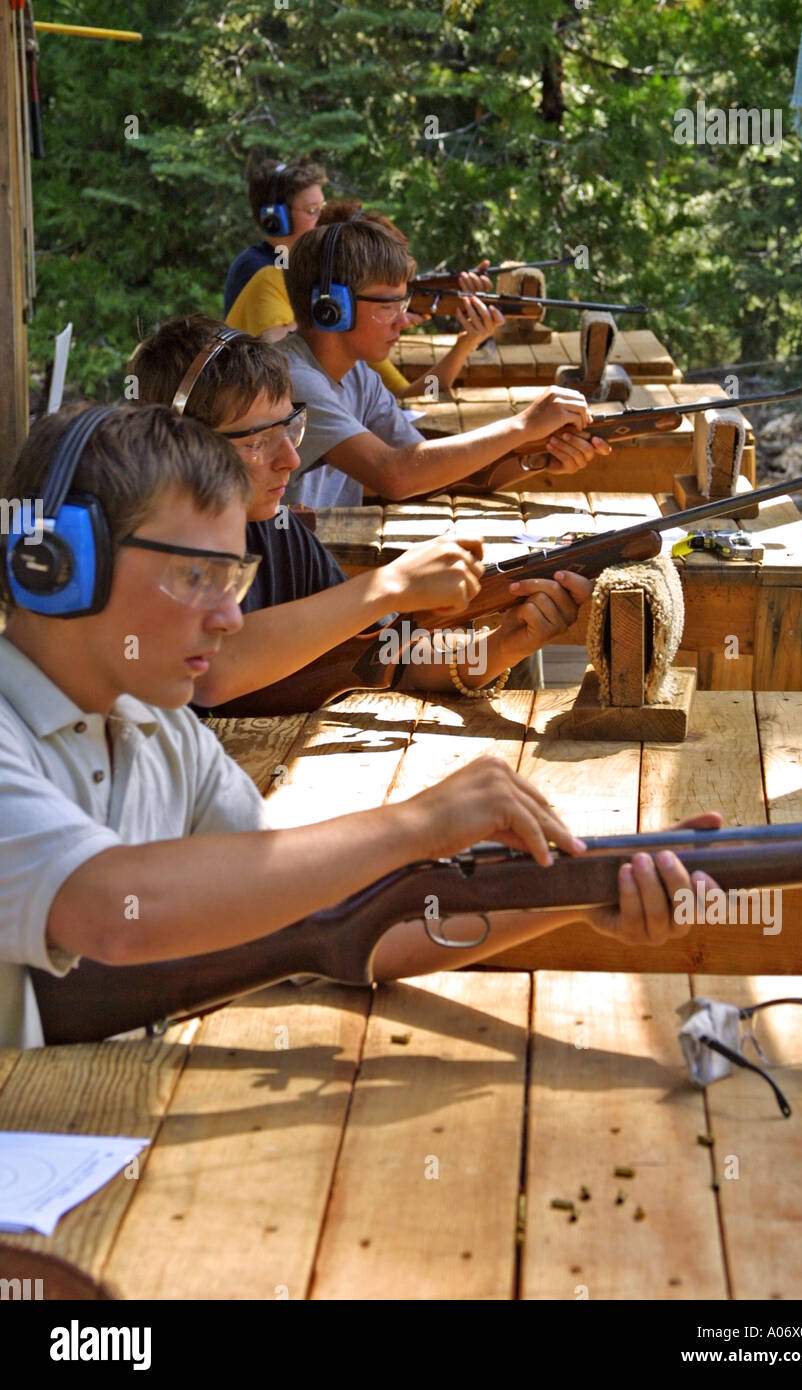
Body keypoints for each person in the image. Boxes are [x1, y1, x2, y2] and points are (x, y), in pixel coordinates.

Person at [0, 403, 721, 1049]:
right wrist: (414, 826)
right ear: (56, 563)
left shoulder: (162, 733)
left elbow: (331, 924)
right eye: (196, 576)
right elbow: (107, 911)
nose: (227, 617)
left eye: (233, 579)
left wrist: (575, 891)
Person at [131, 315, 598, 709]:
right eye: (256, 442)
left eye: (291, 428)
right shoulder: (137, 556)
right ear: (183, 450)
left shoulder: (277, 533)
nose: (290, 460)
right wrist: (389, 586)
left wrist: (501, 645)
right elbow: (211, 672)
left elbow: (384, 653)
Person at [279, 217, 612, 510]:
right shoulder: (293, 382)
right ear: (331, 308)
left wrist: (537, 457)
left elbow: (433, 474)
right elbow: (394, 474)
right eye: (388, 305)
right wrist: (521, 426)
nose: (401, 319)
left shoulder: (359, 378)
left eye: (404, 302)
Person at [316, 198, 506, 400]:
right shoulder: (317, 380)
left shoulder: (358, 362)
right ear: (338, 302)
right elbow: (411, 397)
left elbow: (417, 394)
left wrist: (465, 344)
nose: (403, 319)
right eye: (387, 303)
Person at [223, 158, 327, 339]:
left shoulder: (299, 264)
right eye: (312, 211)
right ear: (277, 218)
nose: (323, 219)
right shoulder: (255, 269)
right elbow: (285, 346)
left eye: (322, 208)